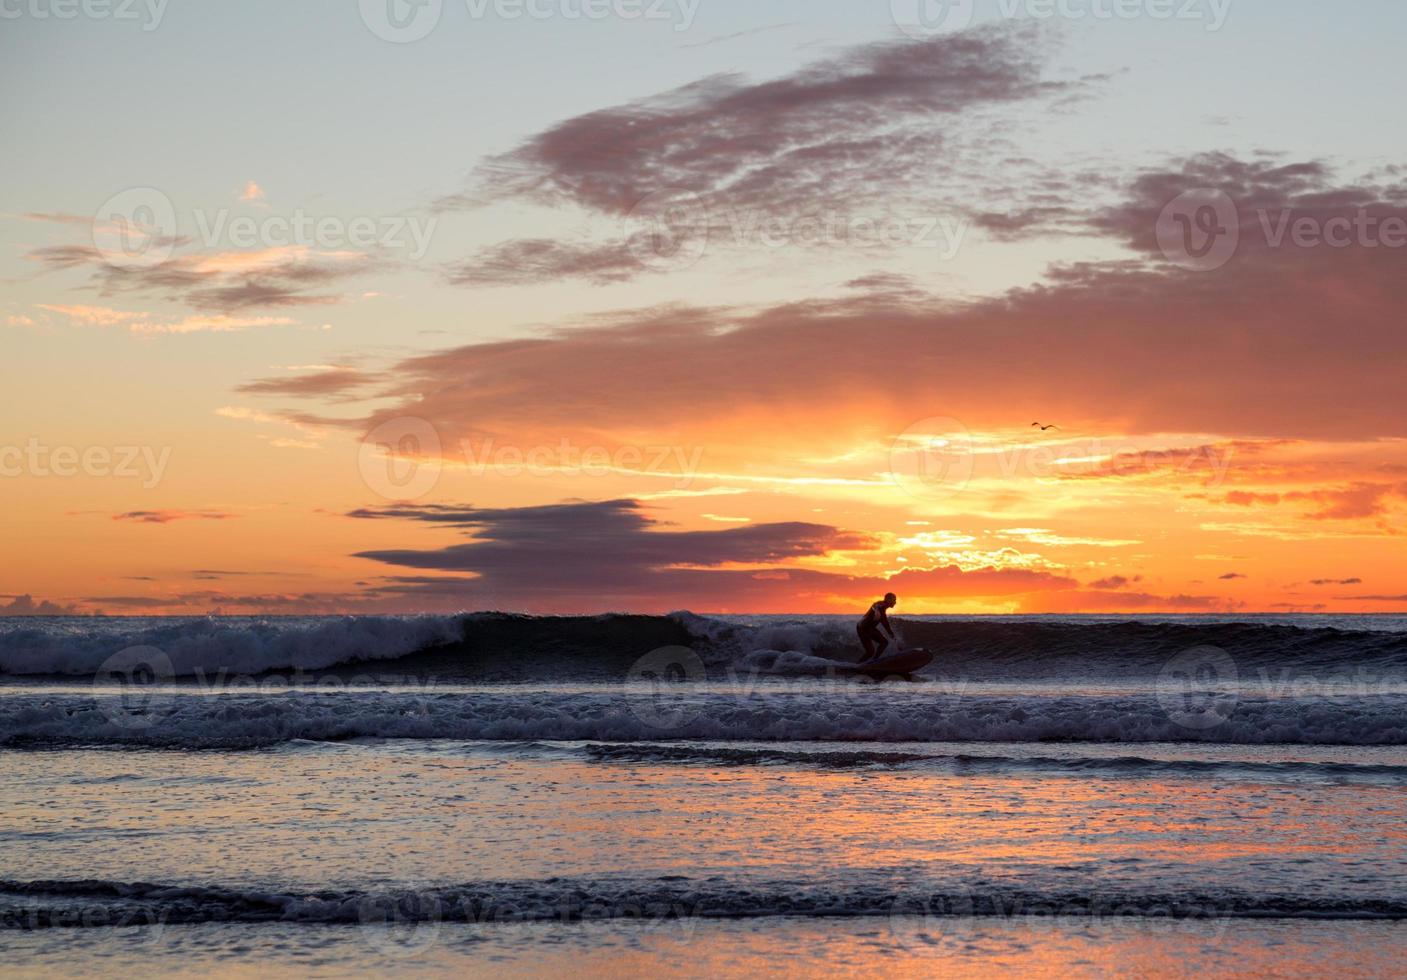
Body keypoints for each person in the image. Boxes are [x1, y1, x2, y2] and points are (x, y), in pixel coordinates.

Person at [857, 593, 898, 663]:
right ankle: (870, 662)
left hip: (868, 628)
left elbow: (885, 623)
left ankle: (866, 663)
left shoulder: (882, 607)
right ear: (889, 600)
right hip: (863, 628)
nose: (895, 602)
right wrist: (876, 609)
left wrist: (892, 636)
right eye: (894, 600)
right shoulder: (880, 606)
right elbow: (876, 606)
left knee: (877, 647)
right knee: (872, 650)